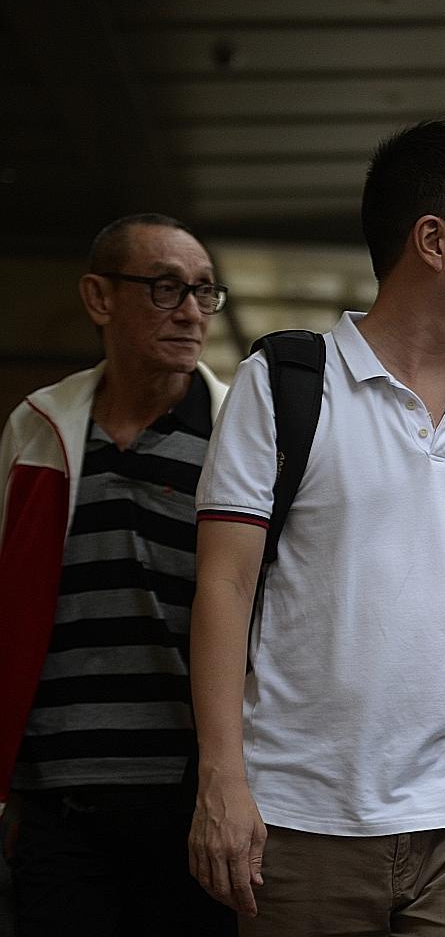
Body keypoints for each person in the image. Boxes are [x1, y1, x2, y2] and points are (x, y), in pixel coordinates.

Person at [187, 120, 445, 935]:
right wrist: (222, 780)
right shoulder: (283, 384)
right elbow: (222, 586)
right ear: (433, 240)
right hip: (301, 819)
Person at [0, 213, 235, 933]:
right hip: (59, 806)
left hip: (196, 804)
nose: (192, 312)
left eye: (203, 291)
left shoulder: (239, 439)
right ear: (100, 298)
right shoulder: (35, 429)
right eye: (166, 289)